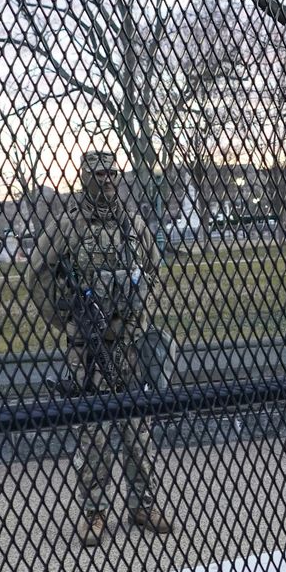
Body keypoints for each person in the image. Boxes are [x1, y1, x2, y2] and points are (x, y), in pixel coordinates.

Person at [27, 150, 174, 547]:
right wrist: (64, 319)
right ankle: (94, 511)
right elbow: (36, 272)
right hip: (89, 349)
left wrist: (142, 315)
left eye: (112, 173)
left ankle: (142, 503)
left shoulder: (131, 224)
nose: (108, 180)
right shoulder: (69, 225)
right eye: (100, 174)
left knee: (137, 429)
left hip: (128, 343)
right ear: (84, 178)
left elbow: (156, 271)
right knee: (93, 433)